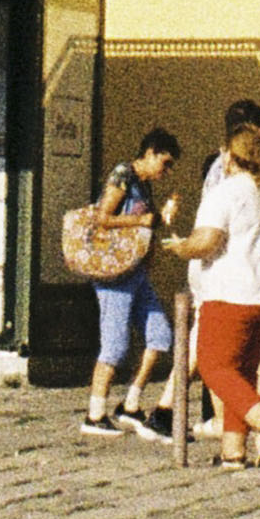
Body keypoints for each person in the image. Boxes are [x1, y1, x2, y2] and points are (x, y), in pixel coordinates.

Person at [167, 101, 260, 464]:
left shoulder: (223, 193)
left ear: (228, 154)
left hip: (232, 294)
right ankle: (233, 452)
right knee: (241, 369)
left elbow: (208, 242)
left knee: (214, 367)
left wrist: (181, 247)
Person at [77, 124, 185, 439]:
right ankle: (94, 414)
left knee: (160, 335)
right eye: (164, 163)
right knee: (115, 345)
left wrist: (160, 218)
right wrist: (141, 219)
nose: (166, 171)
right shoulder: (123, 175)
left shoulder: (144, 184)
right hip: (114, 275)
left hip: (136, 273)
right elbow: (102, 217)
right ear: (149, 154)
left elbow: (144, 227)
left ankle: (131, 403)